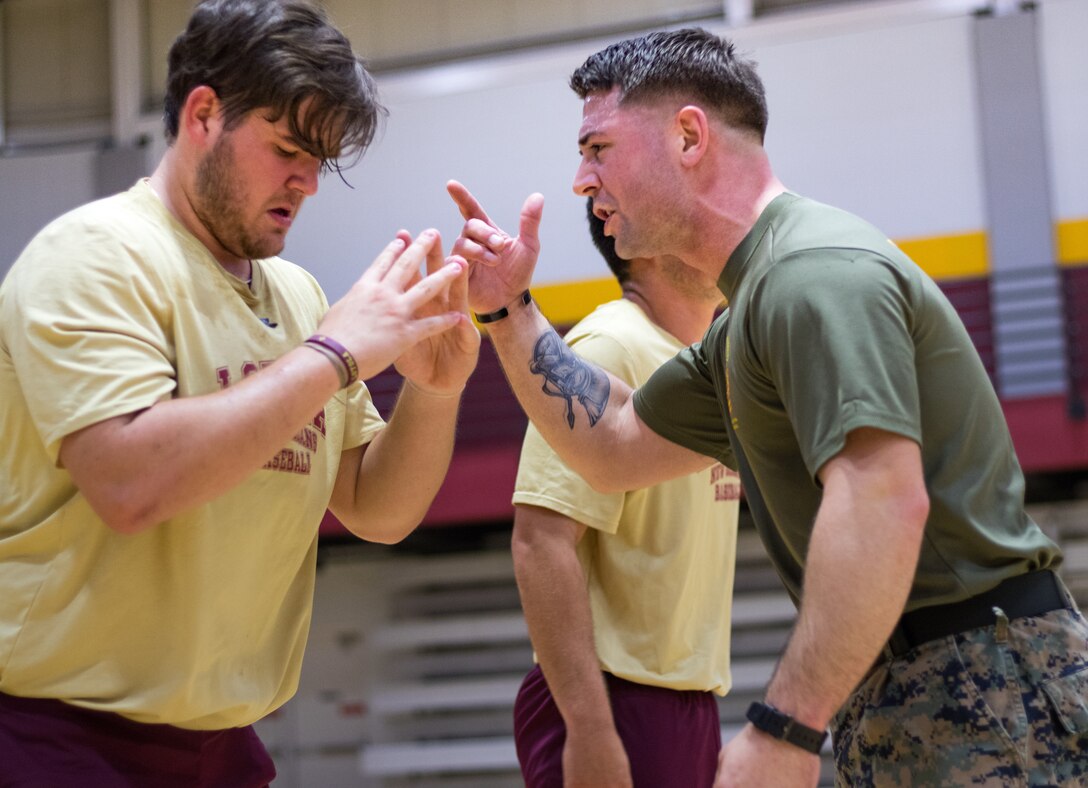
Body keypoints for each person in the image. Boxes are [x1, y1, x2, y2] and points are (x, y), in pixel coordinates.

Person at [447, 26, 1088, 788]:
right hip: (914, 681)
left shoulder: (810, 276)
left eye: (598, 148)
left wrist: (785, 727)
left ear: (689, 134)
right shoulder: (751, 310)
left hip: (979, 674)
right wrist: (509, 313)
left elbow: (883, 499)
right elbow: (614, 445)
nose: (582, 179)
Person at [0, 1, 479, 784]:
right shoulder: (93, 256)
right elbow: (130, 483)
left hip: (222, 743)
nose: (307, 183)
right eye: (287, 148)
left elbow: (378, 510)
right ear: (203, 114)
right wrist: (332, 353)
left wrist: (436, 391)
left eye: (320, 160)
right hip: (59, 739)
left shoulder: (295, 296)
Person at [511, 200, 740, 787]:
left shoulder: (713, 362)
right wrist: (589, 729)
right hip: (611, 703)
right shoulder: (607, 347)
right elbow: (541, 540)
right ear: (642, 242)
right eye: (701, 218)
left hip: (687, 701)